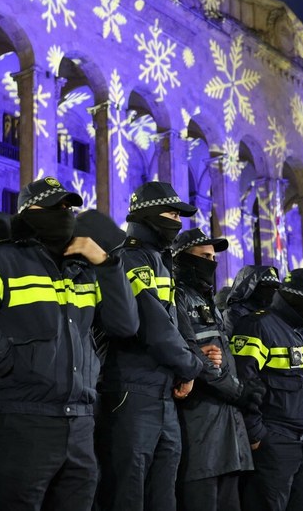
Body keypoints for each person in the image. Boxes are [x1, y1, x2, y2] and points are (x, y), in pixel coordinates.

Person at [0, 177, 139, 511]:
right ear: (29, 212)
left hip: (81, 423)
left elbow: (125, 324)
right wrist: (7, 360)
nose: (65, 213)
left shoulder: (83, 269)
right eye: (55, 207)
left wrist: (106, 263)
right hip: (22, 420)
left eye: (69, 207)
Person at [97, 181, 207, 511]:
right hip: (131, 390)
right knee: (128, 492)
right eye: (171, 214)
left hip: (162, 392)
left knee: (163, 494)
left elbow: (176, 323)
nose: (177, 222)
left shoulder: (159, 261)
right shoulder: (129, 258)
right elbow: (153, 323)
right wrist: (189, 366)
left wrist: (189, 366)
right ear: (147, 215)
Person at [171, 228, 255, 511]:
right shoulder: (178, 296)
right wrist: (237, 390)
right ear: (183, 258)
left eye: (213, 256)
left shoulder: (207, 301)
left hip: (227, 436)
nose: (211, 262)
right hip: (198, 429)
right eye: (204, 256)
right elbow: (189, 352)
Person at [230, 268, 303, 511]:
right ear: (298, 298)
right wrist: (257, 435)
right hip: (275, 442)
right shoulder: (257, 325)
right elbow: (243, 383)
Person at [220, 265, 283, 337]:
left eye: (275, 287)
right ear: (250, 287)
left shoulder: (275, 314)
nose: (272, 291)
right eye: (266, 286)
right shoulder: (234, 314)